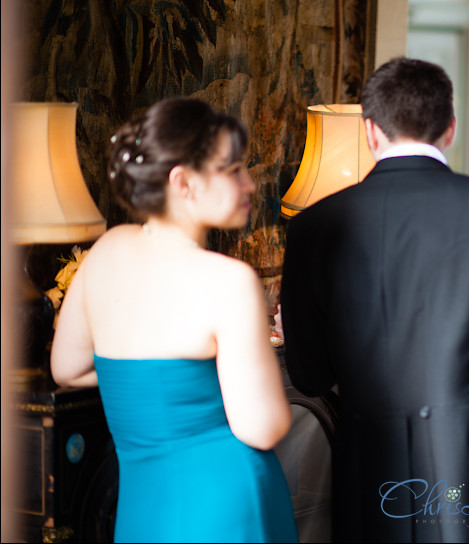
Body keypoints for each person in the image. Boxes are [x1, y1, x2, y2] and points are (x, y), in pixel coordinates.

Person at [279, 57, 469, 542]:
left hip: (365, 460)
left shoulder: (311, 225)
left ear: (371, 132)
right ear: (449, 129)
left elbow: (308, 374)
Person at [50, 98, 299, 543]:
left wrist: (162, 385)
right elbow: (264, 427)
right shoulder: (229, 280)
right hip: (225, 506)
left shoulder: (105, 252)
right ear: (182, 182)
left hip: (143, 509)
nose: (250, 182)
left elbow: (68, 368)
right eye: (233, 168)